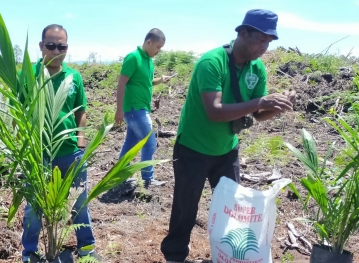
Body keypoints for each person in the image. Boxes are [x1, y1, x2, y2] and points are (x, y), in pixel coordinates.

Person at [160, 9, 296, 263]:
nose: (264, 47)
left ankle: (229, 255)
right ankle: (175, 256)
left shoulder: (257, 68)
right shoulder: (212, 62)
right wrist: (261, 101)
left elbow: (257, 114)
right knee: (185, 208)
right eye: (260, 39)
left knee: (233, 208)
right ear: (242, 33)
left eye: (269, 41)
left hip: (226, 149)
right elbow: (215, 111)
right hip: (193, 148)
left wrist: (276, 107)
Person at [20, 24, 101, 263]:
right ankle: (30, 253)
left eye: (62, 46)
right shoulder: (28, 75)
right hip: (38, 155)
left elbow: (81, 110)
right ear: (41, 46)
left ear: (67, 47)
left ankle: (86, 248)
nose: (56, 51)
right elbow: (18, 109)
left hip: (70, 153)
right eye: (51, 45)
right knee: (34, 208)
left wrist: (81, 142)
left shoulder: (73, 77)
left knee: (79, 203)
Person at [115, 28, 172, 187]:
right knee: (150, 143)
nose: (159, 51)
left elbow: (146, 82)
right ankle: (147, 178)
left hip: (141, 108)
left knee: (130, 144)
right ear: (149, 42)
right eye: (158, 47)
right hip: (134, 109)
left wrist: (161, 79)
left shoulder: (148, 61)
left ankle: (119, 175)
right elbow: (121, 83)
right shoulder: (134, 57)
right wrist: (119, 109)